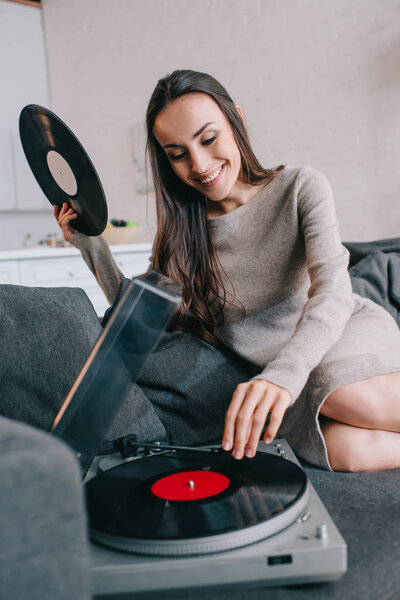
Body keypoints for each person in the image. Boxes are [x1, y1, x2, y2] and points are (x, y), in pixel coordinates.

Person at [55, 69, 400, 472]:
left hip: (334, 334)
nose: (199, 164)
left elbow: (333, 293)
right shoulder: (181, 234)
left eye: (208, 138)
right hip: (275, 375)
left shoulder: (300, 187)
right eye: (178, 153)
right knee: (346, 451)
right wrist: (90, 244)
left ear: (236, 119)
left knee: (338, 392)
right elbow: (143, 316)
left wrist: (281, 379)